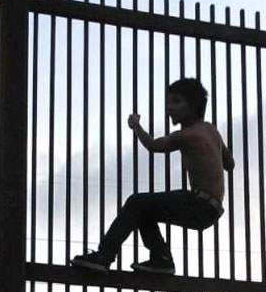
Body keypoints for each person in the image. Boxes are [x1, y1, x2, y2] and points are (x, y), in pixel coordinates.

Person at [70, 78, 234, 274]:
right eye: (168, 102)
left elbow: (152, 145)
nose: (169, 108)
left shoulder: (186, 135)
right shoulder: (210, 129)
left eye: (176, 101)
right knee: (144, 208)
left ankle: (104, 255)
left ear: (193, 106)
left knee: (136, 202)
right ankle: (161, 259)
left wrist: (136, 125)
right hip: (210, 207)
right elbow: (230, 164)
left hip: (199, 203)